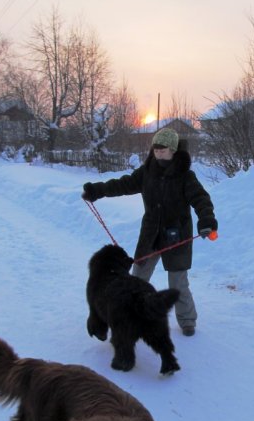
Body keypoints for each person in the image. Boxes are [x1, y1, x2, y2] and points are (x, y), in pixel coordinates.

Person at [82, 127, 218, 336]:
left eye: (163, 148)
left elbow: (201, 199)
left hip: (177, 235)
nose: (158, 151)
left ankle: (187, 320)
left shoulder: (185, 176)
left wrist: (206, 220)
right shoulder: (147, 172)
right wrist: (98, 191)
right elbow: (123, 184)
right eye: (155, 148)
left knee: (178, 282)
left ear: (172, 149)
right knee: (136, 278)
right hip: (150, 234)